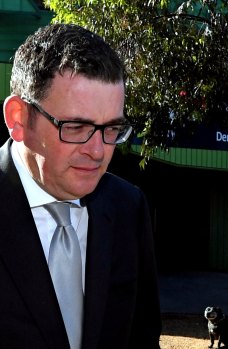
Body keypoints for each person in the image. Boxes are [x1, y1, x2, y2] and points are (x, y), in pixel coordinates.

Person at [1, 24, 161, 348]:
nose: (99, 151)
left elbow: (141, 337)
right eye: (76, 127)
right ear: (19, 118)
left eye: (112, 128)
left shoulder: (128, 208)